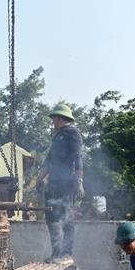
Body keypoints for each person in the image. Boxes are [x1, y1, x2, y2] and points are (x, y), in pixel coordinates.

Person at [37, 103, 83, 261]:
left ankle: (66, 253)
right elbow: (49, 160)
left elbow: (78, 158)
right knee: (52, 217)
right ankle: (56, 253)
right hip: (54, 183)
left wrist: (79, 181)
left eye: (53, 118)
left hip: (66, 183)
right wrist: (40, 178)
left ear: (59, 118)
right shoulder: (57, 136)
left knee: (66, 218)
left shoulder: (73, 133)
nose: (52, 122)